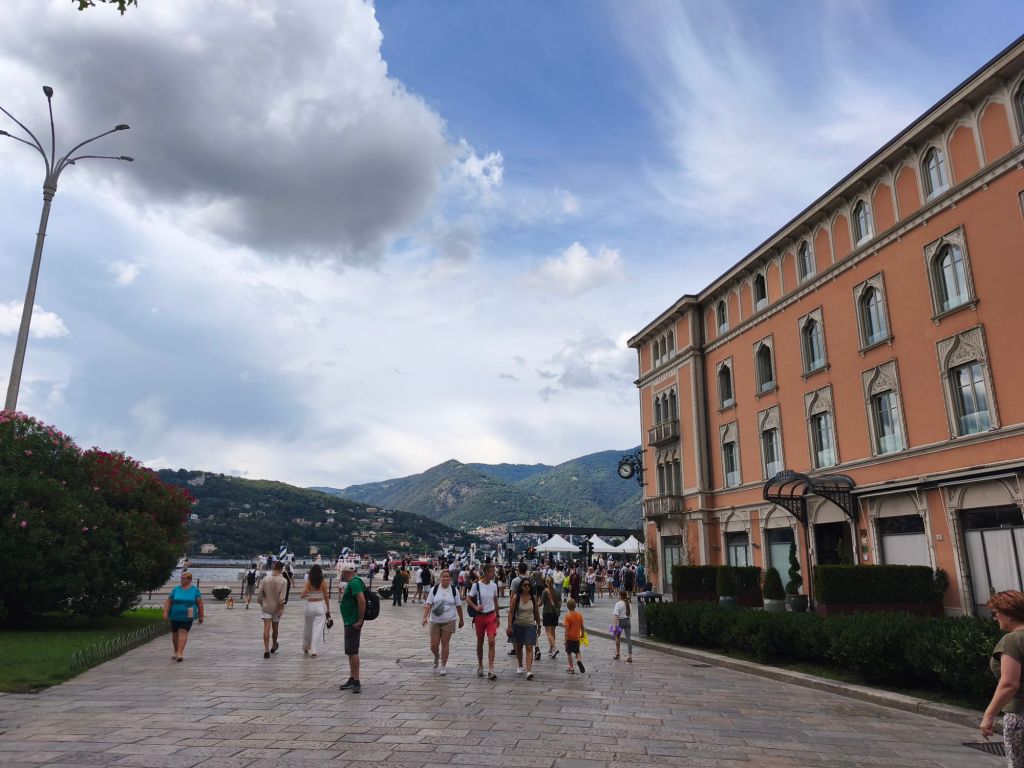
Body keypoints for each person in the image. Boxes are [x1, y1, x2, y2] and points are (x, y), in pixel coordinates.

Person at [983, 590, 1024, 763]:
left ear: (1009, 612)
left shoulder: (1012, 640)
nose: (994, 618)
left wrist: (988, 716)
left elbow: (1009, 684)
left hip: (1020, 715)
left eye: (995, 613)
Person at [422, 569, 463, 676]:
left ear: (450, 578)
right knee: (433, 645)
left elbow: (458, 606)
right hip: (435, 621)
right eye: (443, 576)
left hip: (449, 621)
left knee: (445, 644)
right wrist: (424, 617)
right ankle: (436, 655)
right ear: (440, 578)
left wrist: (461, 619)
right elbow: (428, 604)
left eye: (447, 576)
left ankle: (443, 666)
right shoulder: (434, 589)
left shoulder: (454, 590)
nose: (445, 578)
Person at [468, 562, 501, 680]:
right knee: (480, 642)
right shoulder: (476, 585)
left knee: (491, 641)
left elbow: (495, 601)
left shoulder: (494, 586)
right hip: (479, 617)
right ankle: (480, 665)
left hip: (491, 616)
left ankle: (491, 669)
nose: (494, 574)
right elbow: (468, 599)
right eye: (492, 572)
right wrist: (476, 607)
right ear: (486, 572)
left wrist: (498, 616)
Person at [163, 571, 204, 662]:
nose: (181, 580)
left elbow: (200, 603)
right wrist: (165, 613)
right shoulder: (176, 589)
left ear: (189, 580)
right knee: (175, 633)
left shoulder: (195, 590)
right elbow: (168, 601)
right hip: (175, 615)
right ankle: (176, 650)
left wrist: (201, 616)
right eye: (181, 578)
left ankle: (180, 653)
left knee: (183, 631)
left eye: (183, 578)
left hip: (188, 615)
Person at [338, 563, 366, 693]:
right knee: (350, 651)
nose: (342, 575)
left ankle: (356, 680)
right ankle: (352, 677)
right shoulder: (354, 582)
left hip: (353, 622)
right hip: (349, 621)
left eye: (343, 573)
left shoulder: (354, 582)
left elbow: (361, 600)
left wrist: (360, 620)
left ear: (347, 572)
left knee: (353, 652)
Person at [507, 579, 541, 680]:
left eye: (529, 585)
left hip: (530, 625)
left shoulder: (533, 598)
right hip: (518, 625)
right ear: (521, 586)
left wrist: (539, 626)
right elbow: (511, 612)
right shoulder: (516, 597)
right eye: (525, 585)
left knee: (529, 648)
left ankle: (529, 671)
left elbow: (537, 613)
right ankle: (520, 665)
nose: (527, 587)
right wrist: (509, 626)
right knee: (519, 648)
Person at [257, 561, 288, 659]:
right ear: (281, 569)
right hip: (277, 607)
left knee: (266, 628)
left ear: (274, 568)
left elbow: (260, 593)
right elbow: (282, 598)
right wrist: (281, 608)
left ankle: (266, 650)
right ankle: (274, 645)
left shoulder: (266, 579)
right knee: (275, 628)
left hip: (266, 606)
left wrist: (260, 602)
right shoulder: (283, 581)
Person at [301, 564, 330, 658]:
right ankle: (314, 651)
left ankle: (306, 647)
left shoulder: (308, 582)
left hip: (310, 606)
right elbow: (326, 596)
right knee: (317, 630)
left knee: (308, 628)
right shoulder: (323, 582)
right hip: (319, 606)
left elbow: (302, 595)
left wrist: (310, 594)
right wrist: (328, 609)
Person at [541, 576, 561, 658]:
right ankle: (550, 649)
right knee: (553, 632)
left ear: (546, 582)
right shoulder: (557, 592)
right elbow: (559, 605)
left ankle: (554, 648)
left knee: (548, 632)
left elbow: (541, 603)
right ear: (553, 582)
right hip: (555, 614)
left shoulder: (545, 592)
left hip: (547, 613)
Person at [563, 598, 585, 674]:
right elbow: (582, 627)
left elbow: (566, 629)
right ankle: (578, 660)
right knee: (577, 651)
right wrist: (582, 634)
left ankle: (571, 667)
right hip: (576, 638)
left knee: (569, 652)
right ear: (575, 606)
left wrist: (565, 640)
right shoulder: (579, 615)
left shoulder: (567, 616)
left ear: (567, 607)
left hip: (569, 638)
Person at [612, 589, 633, 662]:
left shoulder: (618, 604)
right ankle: (630, 656)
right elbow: (630, 614)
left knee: (617, 637)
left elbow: (616, 615)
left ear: (620, 596)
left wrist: (614, 626)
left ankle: (617, 654)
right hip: (628, 621)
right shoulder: (629, 603)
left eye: (618, 595)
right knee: (628, 638)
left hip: (620, 622)